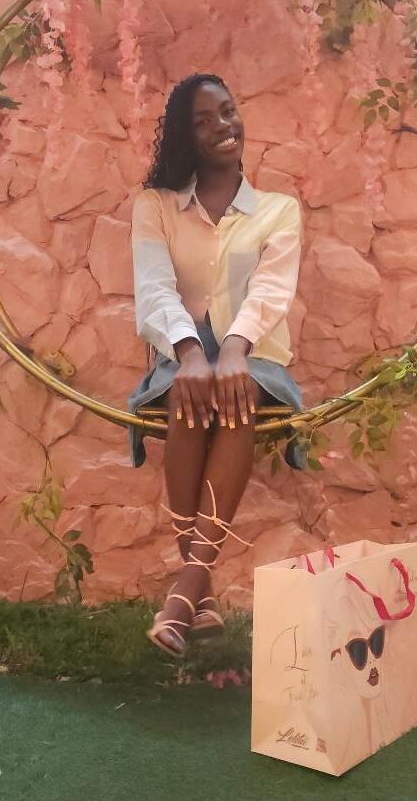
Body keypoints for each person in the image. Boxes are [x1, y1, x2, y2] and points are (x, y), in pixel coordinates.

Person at [127, 72, 305, 657]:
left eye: (226, 111)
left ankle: (184, 593)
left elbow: (271, 291)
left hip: (254, 357)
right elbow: (154, 288)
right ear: (186, 136)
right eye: (203, 121)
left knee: (238, 395)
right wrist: (189, 354)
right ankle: (197, 594)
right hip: (178, 356)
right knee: (191, 394)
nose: (222, 126)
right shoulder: (155, 207)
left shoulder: (279, 211)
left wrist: (231, 351)